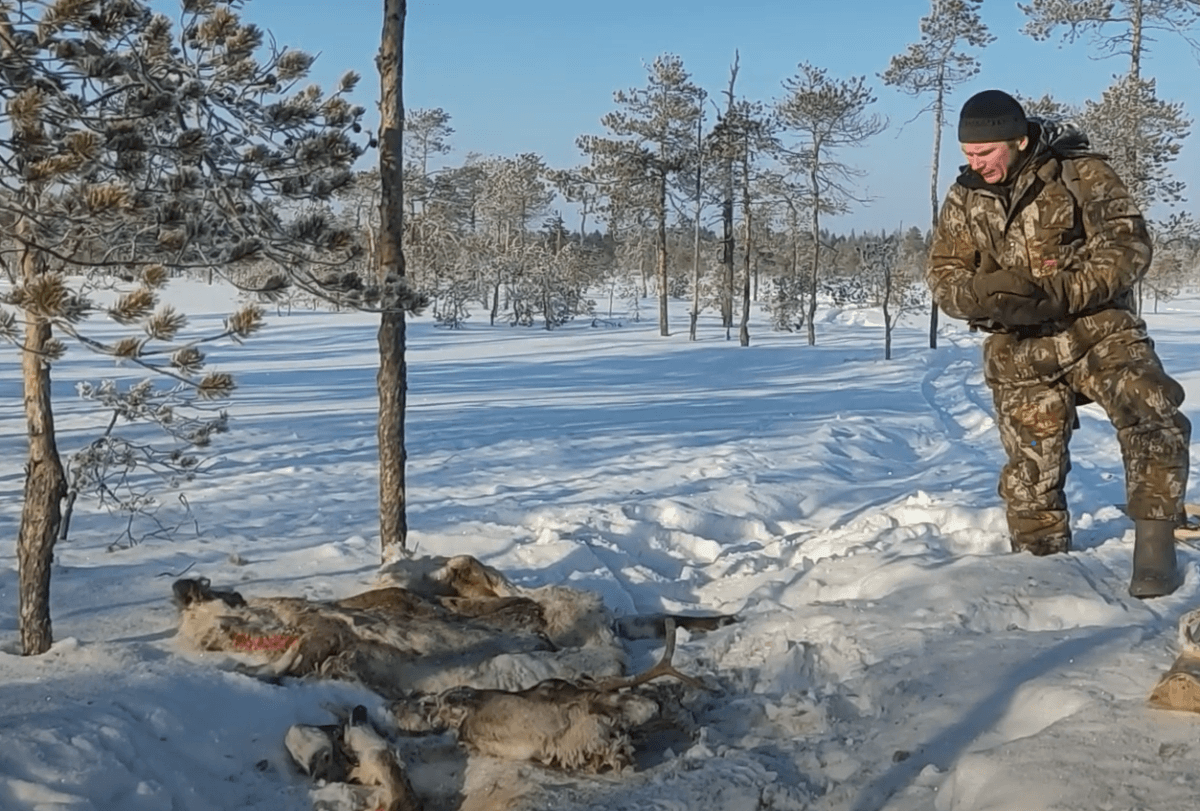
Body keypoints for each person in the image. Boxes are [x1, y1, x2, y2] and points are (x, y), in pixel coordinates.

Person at [927, 89, 1192, 599]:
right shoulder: (966, 196)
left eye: (985, 153)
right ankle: (1039, 572)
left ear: (1019, 140)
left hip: (1097, 329)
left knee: (1151, 409)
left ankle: (1155, 545)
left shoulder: (1081, 173)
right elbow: (943, 275)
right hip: (1018, 346)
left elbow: (1127, 245)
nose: (975, 164)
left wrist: (1061, 292)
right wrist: (981, 295)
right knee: (1031, 469)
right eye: (968, 155)